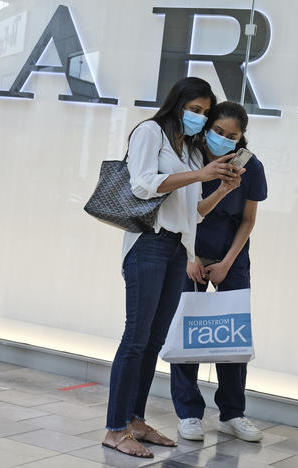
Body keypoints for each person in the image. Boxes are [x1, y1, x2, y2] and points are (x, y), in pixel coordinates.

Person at [102, 77, 245, 459]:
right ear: (178, 103)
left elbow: (192, 212)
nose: (198, 117)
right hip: (147, 244)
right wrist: (202, 175)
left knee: (153, 340)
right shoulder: (151, 132)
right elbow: (143, 185)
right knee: (135, 337)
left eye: (204, 112)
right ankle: (114, 428)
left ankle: (134, 419)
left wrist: (223, 189)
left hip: (176, 249)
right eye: (194, 110)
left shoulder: (193, 151)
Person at [170, 101, 267, 443]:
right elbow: (181, 213)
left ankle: (232, 413)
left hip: (232, 257)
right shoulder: (191, 160)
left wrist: (227, 263)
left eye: (232, 136)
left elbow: (249, 220)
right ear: (207, 128)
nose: (224, 140)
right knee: (188, 335)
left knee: (231, 336)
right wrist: (190, 257)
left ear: (242, 138)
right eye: (218, 132)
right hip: (188, 252)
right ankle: (189, 413)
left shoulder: (250, 167)